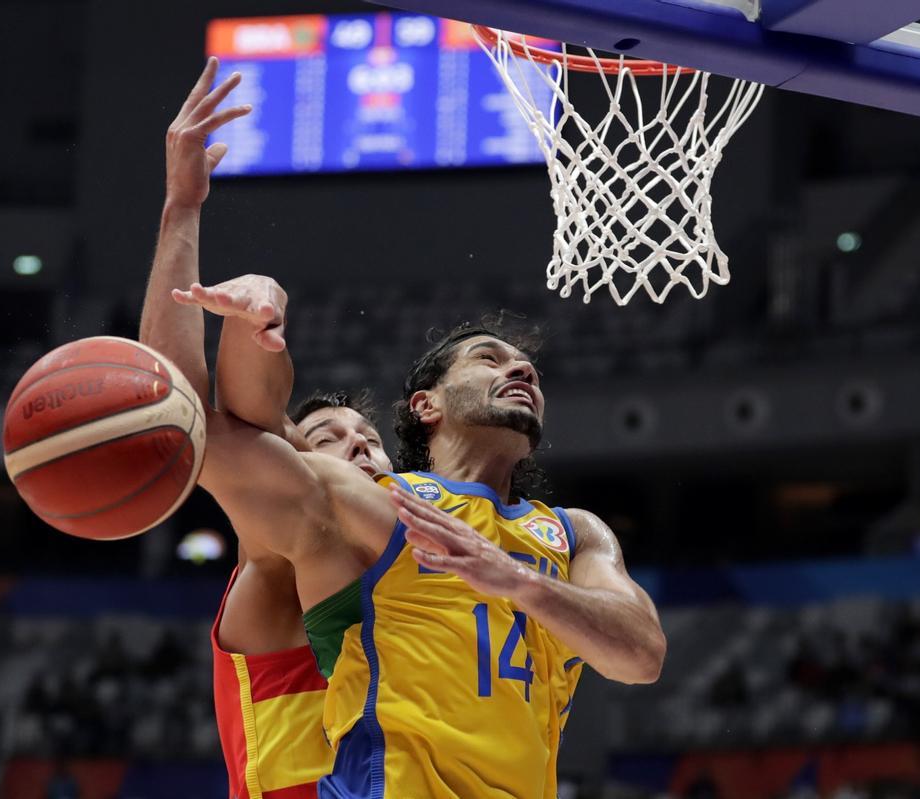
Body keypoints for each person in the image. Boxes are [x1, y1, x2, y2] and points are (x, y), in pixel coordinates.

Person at [142, 61, 666, 798]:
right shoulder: (371, 512)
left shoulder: (574, 533)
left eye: (528, 366)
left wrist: (513, 578)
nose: (521, 370)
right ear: (426, 403)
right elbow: (193, 423)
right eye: (490, 357)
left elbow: (642, 654)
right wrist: (194, 223)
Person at [137, 59, 394, 798]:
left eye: (367, 437)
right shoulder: (280, 558)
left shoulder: (423, 551)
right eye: (329, 438)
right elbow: (190, 411)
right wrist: (185, 211)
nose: (360, 445)